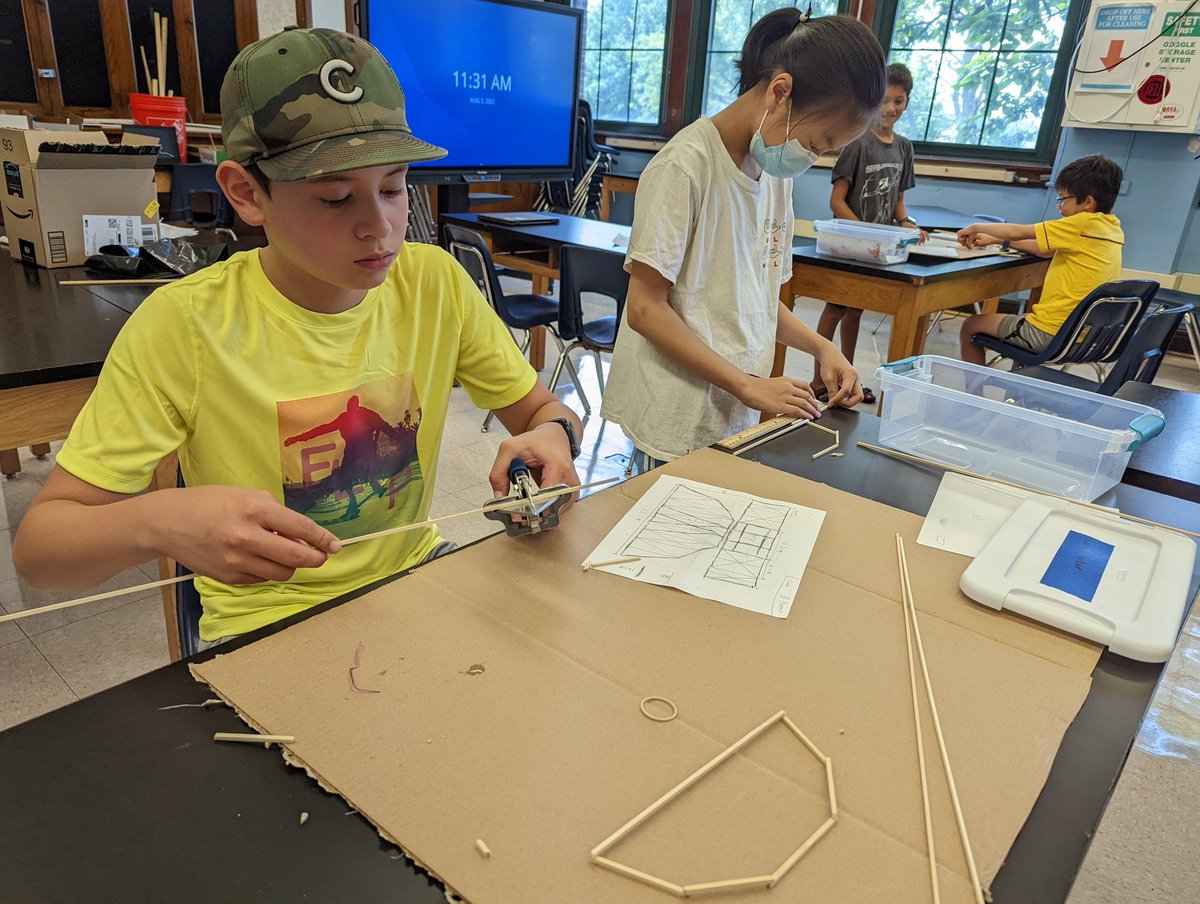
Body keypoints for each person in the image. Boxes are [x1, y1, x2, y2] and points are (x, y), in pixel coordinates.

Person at [12, 28, 583, 644]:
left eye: (394, 187)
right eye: (337, 199)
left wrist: (554, 433)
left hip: (416, 581)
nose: (381, 229)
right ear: (246, 193)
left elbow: (540, 409)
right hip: (269, 624)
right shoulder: (185, 327)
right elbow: (41, 551)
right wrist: (155, 521)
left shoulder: (434, 283)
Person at [601, 11, 884, 471]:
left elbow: (753, 298)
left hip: (733, 406)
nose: (812, 158)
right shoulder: (685, 167)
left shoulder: (774, 175)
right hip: (677, 414)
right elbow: (645, 309)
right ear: (780, 93)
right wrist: (747, 384)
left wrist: (822, 348)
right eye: (818, 141)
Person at [813, 62, 924, 406]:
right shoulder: (857, 143)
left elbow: (898, 201)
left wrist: (906, 225)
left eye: (899, 101)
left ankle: (847, 378)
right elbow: (836, 200)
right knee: (835, 308)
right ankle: (819, 378)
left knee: (856, 311)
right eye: (885, 100)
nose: (891, 108)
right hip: (849, 245)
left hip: (879, 248)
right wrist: (862, 230)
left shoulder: (903, 147)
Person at [956, 155, 1125, 365]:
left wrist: (976, 227)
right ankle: (1017, 392)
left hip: (1051, 334)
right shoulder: (1111, 228)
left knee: (971, 325)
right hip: (1087, 337)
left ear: (1087, 202)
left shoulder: (1080, 223)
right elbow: (1045, 250)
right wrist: (1001, 241)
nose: (1059, 207)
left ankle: (975, 396)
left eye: (1063, 199)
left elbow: (1019, 231)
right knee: (1021, 323)